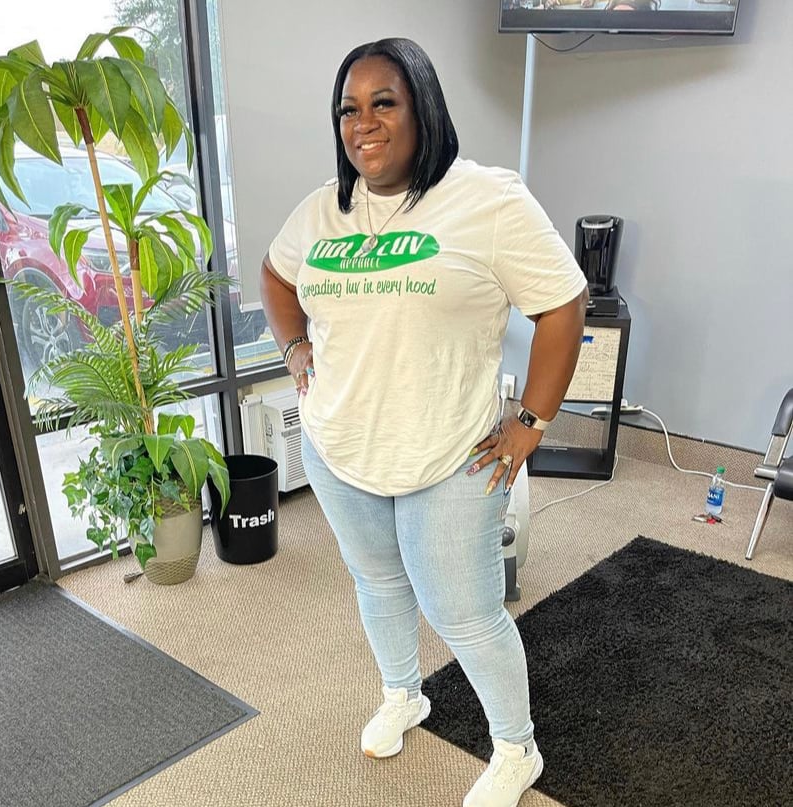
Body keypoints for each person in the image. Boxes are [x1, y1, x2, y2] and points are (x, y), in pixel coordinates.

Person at [261, 38, 588, 807]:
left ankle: (517, 746)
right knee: (377, 580)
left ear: (424, 109)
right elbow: (276, 276)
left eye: (384, 102)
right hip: (340, 444)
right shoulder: (323, 210)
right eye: (348, 108)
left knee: (464, 610)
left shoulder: (488, 200)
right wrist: (296, 348)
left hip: (451, 453)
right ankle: (403, 693)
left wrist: (531, 420)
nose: (363, 123)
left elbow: (562, 303)